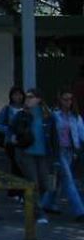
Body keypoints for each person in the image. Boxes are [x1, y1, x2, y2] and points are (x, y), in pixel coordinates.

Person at [11, 89, 55, 225]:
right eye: (27, 97)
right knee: (33, 183)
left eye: (31, 97)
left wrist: (55, 157)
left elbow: (54, 137)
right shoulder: (21, 115)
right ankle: (38, 212)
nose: (27, 99)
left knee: (44, 184)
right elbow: (11, 129)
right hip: (26, 153)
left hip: (42, 154)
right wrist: (12, 138)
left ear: (39, 99)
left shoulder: (47, 116)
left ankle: (30, 201)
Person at [45, 90, 84, 221]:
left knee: (59, 179)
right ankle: (79, 211)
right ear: (60, 100)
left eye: (70, 99)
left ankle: (46, 203)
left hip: (71, 152)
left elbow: (81, 134)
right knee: (68, 179)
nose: (68, 102)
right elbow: (49, 134)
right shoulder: (55, 116)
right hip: (58, 151)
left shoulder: (76, 117)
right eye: (65, 99)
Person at [0, 87, 27, 199]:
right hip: (11, 142)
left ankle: (18, 189)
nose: (18, 97)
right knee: (15, 164)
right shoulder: (7, 109)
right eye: (15, 95)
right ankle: (15, 190)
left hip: (23, 141)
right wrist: (9, 130)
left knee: (22, 165)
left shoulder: (26, 109)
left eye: (20, 94)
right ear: (11, 96)